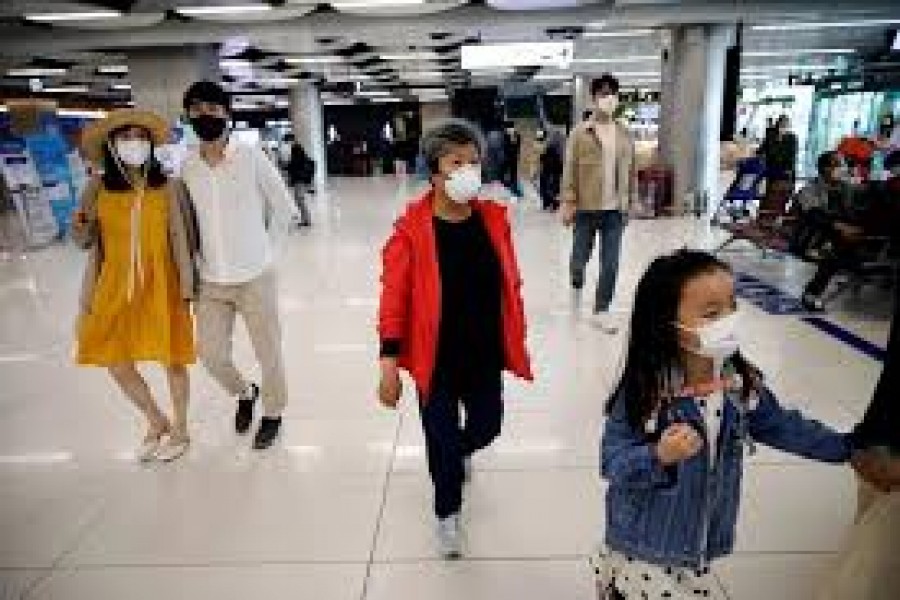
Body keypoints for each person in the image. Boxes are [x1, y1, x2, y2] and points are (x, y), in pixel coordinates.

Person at [599, 249, 862, 599]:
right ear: (666, 323)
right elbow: (612, 462)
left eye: (732, 307)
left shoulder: (738, 383)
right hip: (644, 544)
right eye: (711, 314)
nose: (729, 320)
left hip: (699, 539)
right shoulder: (647, 391)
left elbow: (781, 425)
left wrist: (848, 448)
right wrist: (658, 455)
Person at [376, 118, 533, 559]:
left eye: (474, 162)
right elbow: (393, 301)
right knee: (443, 447)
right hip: (436, 361)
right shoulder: (411, 233)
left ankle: (458, 453)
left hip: (483, 354)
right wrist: (388, 362)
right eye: (456, 162)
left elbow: (509, 285)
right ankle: (447, 513)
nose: (468, 171)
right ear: (434, 171)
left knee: (486, 428)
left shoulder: (493, 222)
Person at [180, 81, 299, 450]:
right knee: (210, 355)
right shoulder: (187, 166)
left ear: (227, 115)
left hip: (255, 278)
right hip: (211, 281)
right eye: (197, 110)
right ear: (188, 116)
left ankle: (274, 412)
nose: (206, 116)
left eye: (213, 109)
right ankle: (246, 392)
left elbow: (285, 209)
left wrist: (267, 254)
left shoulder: (251, 157)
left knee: (269, 352)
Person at [73, 109, 197, 463]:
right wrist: (80, 220)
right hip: (113, 286)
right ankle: (155, 420)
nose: (134, 143)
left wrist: (189, 286)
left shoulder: (169, 187)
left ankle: (181, 427)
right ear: (112, 145)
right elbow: (82, 241)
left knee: (172, 359)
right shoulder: (97, 188)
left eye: (140, 137)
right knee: (116, 361)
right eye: (125, 137)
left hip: (163, 285)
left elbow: (186, 238)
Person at [561, 73, 634, 333]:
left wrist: (629, 206)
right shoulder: (580, 133)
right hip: (585, 209)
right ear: (593, 98)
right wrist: (568, 203)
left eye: (612, 94)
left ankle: (601, 309)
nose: (608, 98)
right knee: (579, 260)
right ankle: (576, 277)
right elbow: (569, 170)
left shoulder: (624, 134)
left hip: (614, 211)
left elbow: (630, 172)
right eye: (603, 94)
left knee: (611, 264)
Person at [283, 133, 314, 227]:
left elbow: (296, 163)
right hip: (300, 177)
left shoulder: (296, 148)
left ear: (291, 140)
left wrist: (286, 167)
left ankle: (307, 220)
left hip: (299, 178)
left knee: (299, 199)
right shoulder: (297, 148)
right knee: (299, 199)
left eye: (287, 141)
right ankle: (305, 219)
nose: (287, 143)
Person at [537, 128, 563, 211]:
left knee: (547, 184)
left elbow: (542, 156)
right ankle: (553, 203)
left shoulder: (548, 144)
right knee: (554, 185)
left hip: (549, 167)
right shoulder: (560, 142)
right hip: (555, 166)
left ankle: (549, 202)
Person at [500, 120, 522, 197]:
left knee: (505, 173)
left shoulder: (506, 135)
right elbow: (518, 147)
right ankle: (513, 188)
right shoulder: (517, 134)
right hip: (514, 157)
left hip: (508, 157)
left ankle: (509, 189)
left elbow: (505, 146)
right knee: (513, 174)